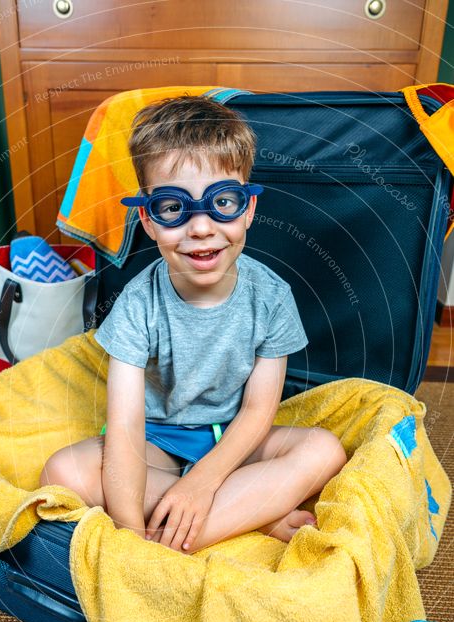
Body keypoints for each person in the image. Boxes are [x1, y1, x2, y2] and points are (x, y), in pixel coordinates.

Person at [40, 95, 347, 554]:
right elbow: (125, 426)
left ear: (247, 210)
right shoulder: (138, 305)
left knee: (325, 450)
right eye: (172, 208)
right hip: (156, 443)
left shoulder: (272, 296)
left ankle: (188, 522)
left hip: (236, 440)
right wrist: (128, 539)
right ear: (147, 219)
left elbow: (258, 413)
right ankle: (246, 515)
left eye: (222, 202)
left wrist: (202, 483)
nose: (201, 228)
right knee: (61, 471)